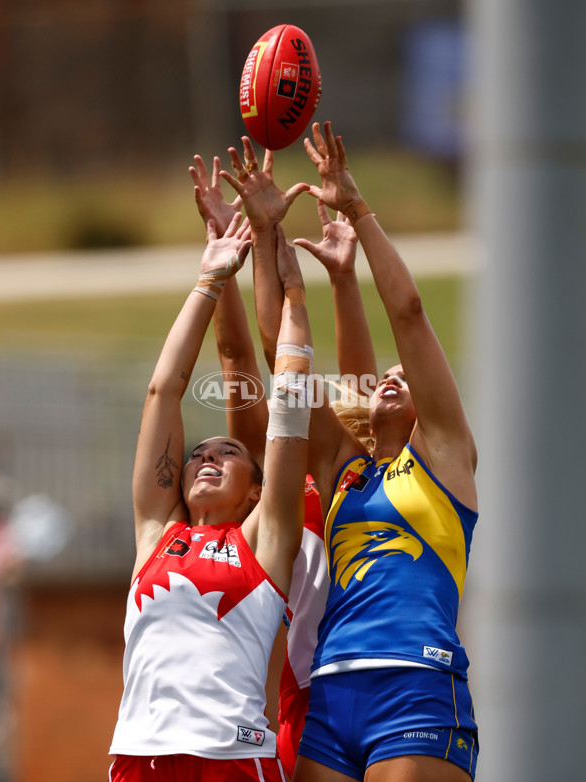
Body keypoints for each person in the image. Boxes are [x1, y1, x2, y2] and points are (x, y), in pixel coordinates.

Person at [289, 122, 479, 782]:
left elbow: (409, 312)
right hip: (332, 690)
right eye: (385, 376)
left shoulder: (446, 458)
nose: (395, 376)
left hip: (415, 681)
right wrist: (331, 275)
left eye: (409, 376)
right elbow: (309, 369)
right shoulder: (348, 472)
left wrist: (358, 211)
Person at [190, 144, 377, 779]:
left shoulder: (362, 466)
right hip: (304, 705)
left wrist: (273, 244)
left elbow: (287, 361)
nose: (215, 454)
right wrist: (242, 243)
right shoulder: (274, 486)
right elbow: (249, 354)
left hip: (379, 688)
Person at [108, 211, 314, 782]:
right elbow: (162, 390)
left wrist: (294, 299)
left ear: (254, 492)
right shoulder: (156, 534)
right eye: (199, 453)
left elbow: (290, 419)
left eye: (228, 454)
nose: (206, 457)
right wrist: (209, 280)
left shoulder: (264, 540)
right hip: (138, 755)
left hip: (232, 757)